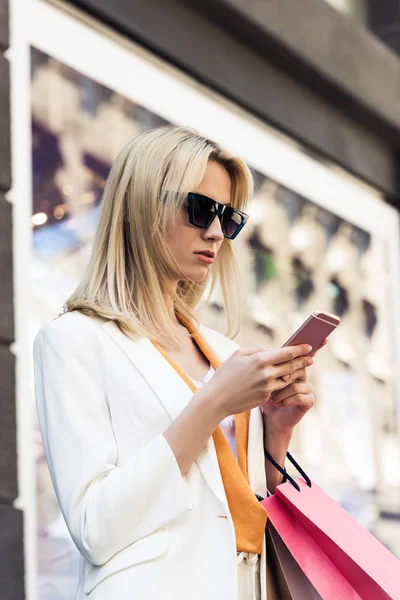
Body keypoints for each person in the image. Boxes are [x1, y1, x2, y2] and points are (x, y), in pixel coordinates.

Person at [33, 125, 324, 600]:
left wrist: (277, 433)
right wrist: (212, 402)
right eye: (200, 209)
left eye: (228, 218)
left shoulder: (221, 350)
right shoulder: (73, 340)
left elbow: (243, 509)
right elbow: (95, 528)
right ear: (144, 205)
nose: (215, 232)